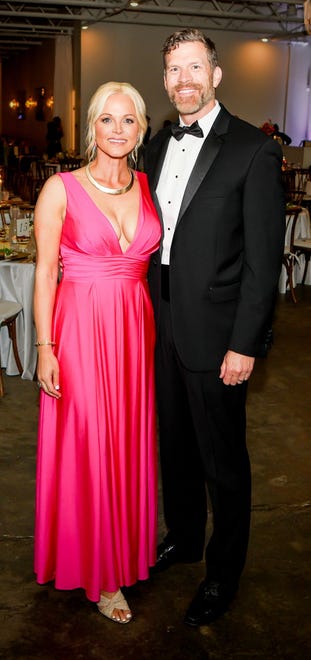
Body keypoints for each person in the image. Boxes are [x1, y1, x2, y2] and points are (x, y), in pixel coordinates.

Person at [144, 29, 285, 627]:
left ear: (216, 74)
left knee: (223, 461)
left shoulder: (252, 149)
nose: (184, 80)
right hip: (162, 320)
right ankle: (182, 535)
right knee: (173, 442)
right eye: (174, 70)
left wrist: (245, 344)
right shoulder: (154, 143)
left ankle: (223, 573)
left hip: (220, 332)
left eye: (194, 68)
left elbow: (263, 260)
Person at [33, 82, 161, 624]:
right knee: (89, 443)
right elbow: (44, 273)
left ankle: (122, 552)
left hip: (134, 333)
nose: (117, 129)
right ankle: (103, 578)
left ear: (141, 129)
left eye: (127, 120)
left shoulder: (149, 185)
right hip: (80, 331)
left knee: (126, 442)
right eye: (107, 119)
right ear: (91, 126)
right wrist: (45, 347)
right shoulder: (60, 188)